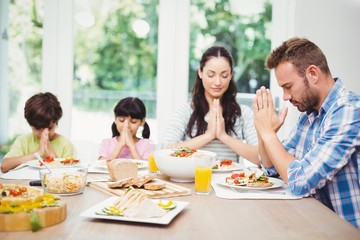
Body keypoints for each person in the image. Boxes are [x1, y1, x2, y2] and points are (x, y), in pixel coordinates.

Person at [253, 37, 360, 229]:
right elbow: (272, 169)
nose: (286, 97)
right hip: (311, 224)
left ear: (312, 73)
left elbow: (300, 181)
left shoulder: (350, 110)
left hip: (344, 233)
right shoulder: (309, 115)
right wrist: (263, 131)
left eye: (288, 87)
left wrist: (268, 134)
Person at [163, 46, 259, 165]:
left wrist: (223, 136)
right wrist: (208, 136)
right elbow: (165, 151)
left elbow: (261, 158)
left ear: (231, 75)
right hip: (193, 180)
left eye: (224, 75)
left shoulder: (243, 113)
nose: (217, 82)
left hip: (228, 181)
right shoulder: (185, 110)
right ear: (200, 72)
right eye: (211, 75)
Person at [1, 92, 76, 173]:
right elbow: (4, 166)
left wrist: (52, 154)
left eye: (49, 128)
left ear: (56, 123)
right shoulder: (23, 141)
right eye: (37, 128)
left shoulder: (65, 144)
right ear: (30, 125)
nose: (44, 134)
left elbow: (71, 174)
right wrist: (37, 153)